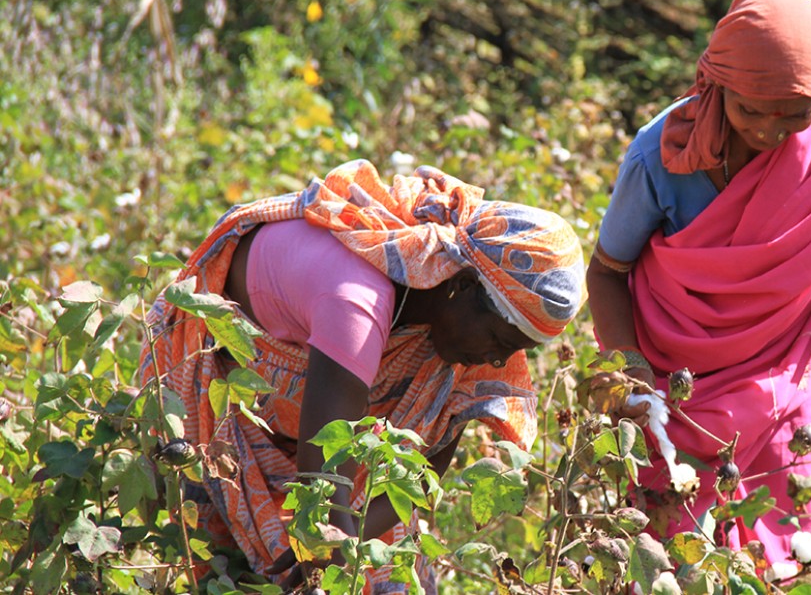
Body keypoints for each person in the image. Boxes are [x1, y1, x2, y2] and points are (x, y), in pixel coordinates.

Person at [138, 158, 585, 592]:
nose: (494, 361)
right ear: (463, 286)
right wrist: (332, 543)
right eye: (499, 342)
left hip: (311, 433)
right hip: (224, 396)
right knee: (239, 571)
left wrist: (353, 543)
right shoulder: (357, 299)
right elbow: (325, 481)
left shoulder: (455, 305)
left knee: (372, 565)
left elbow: (422, 467)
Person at [585, 0, 811, 572]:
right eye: (751, 110)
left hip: (783, 393)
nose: (772, 131)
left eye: (794, 112)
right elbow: (606, 273)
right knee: (674, 568)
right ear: (716, 85)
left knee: (793, 563)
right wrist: (634, 381)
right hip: (670, 395)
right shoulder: (662, 155)